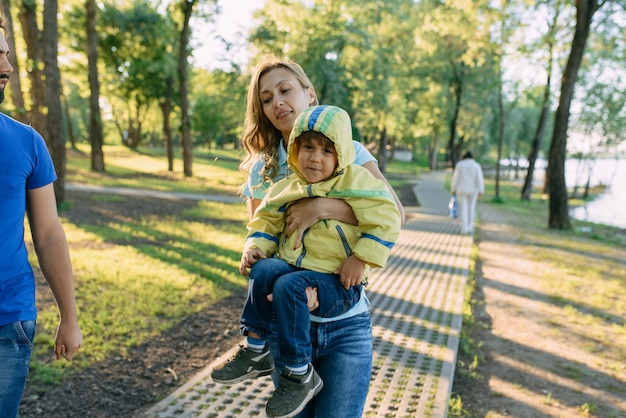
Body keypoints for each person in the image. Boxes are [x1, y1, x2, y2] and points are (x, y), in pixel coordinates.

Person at [231, 55, 404, 418]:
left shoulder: (349, 151)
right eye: (266, 98)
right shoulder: (265, 170)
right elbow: (264, 241)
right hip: (290, 325)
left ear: (309, 94)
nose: (277, 101)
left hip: (345, 322)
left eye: (285, 90)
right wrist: (256, 257)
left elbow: (393, 214)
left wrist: (321, 207)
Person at [0, 18, 82, 418]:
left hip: (8, 317)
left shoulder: (27, 142)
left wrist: (69, 317)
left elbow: (48, 234)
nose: (7, 67)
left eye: (8, 55)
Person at [450, 151, 484, 234]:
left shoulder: (460, 165)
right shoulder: (476, 165)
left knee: (463, 208)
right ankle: (470, 227)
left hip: (461, 189)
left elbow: (456, 178)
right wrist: (481, 190)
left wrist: (453, 189)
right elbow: (479, 179)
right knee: (471, 208)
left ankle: (464, 228)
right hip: (473, 190)